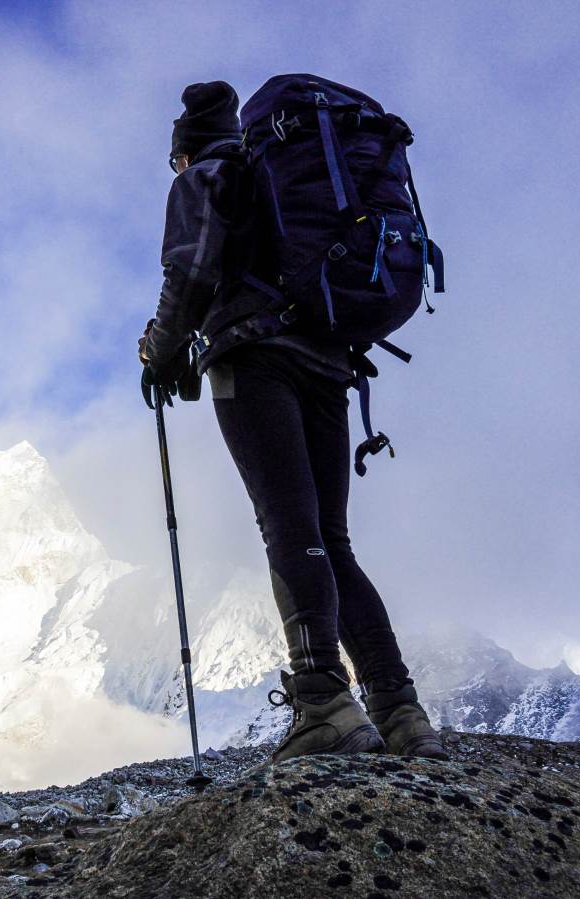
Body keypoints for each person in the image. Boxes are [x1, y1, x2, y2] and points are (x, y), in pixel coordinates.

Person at [139, 80, 447, 763]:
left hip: (255, 365)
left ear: (184, 151)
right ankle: (400, 709)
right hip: (329, 363)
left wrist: (159, 351)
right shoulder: (273, 170)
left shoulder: (208, 175)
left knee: (289, 527)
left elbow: (187, 275)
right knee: (332, 536)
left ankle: (324, 703)